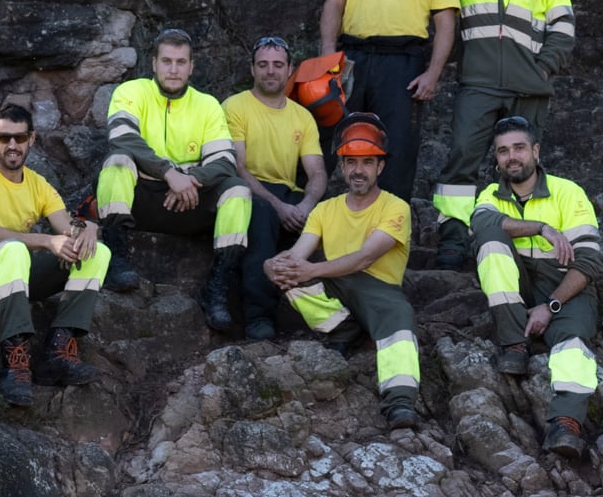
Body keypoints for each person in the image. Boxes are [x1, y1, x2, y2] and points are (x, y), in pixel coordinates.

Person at [429, 0, 576, 268]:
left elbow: (563, 26)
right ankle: (452, 239)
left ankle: (522, 241)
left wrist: (543, 69)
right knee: (462, 155)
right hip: (477, 83)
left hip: (528, 86)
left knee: (522, 164)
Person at [0, 103, 106, 406]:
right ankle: (16, 364)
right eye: (4, 137)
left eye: (19, 137)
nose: (12, 145)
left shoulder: (38, 185)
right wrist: (46, 241)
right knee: (12, 249)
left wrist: (87, 229)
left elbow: (66, 228)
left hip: (12, 271)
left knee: (96, 252)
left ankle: (58, 351)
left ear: (31, 139)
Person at [262, 116, 423, 433]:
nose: (358, 170)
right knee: (290, 276)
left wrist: (311, 269)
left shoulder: (396, 208)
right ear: (342, 166)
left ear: (380, 168)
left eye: (367, 162)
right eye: (351, 163)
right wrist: (273, 266)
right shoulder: (325, 209)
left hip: (380, 290)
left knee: (400, 319)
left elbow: (365, 258)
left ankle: (400, 401)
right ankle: (344, 329)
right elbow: (297, 256)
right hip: (338, 282)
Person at [93, 29, 253, 330]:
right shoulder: (130, 92)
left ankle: (216, 289)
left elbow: (224, 161)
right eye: (167, 61)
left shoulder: (207, 105)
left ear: (192, 66)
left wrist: (189, 180)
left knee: (238, 191)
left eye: (181, 62)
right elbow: (122, 137)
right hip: (144, 200)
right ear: (153, 63)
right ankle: (116, 259)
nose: (174, 69)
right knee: (116, 162)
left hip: (189, 202)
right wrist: (169, 174)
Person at [468, 118, 603, 459]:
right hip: (521, 284)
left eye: (518, 148)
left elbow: (589, 262)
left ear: (536, 151)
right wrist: (540, 227)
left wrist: (551, 306)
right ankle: (514, 343)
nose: (511, 157)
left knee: (573, 346)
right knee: (489, 242)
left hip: (565, 287)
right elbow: (481, 223)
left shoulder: (568, 192)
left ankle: (566, 424)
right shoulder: (491, 195)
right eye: (503, 151)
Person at [318, 0, 457, 204]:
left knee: (397, 147)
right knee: (331, 137)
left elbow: (445, 24)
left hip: (402, 64)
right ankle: (316, 217)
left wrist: (433, 74)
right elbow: (334, 4)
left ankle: (389, 229)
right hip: (352, 58)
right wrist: (327, 58)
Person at [228, 38, 328, 341]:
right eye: (263, 65)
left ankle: (330, 317)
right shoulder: (235, 107)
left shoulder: (302, 116)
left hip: (290, 195)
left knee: (326, 220)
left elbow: (318, 172)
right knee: (261, 218)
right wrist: (277, 206)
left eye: (277, 65)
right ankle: (259, 319)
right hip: (250, 192)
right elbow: (238, 167)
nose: (270, 71)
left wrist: (307, 206)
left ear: (289, 70)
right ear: (252, 69)